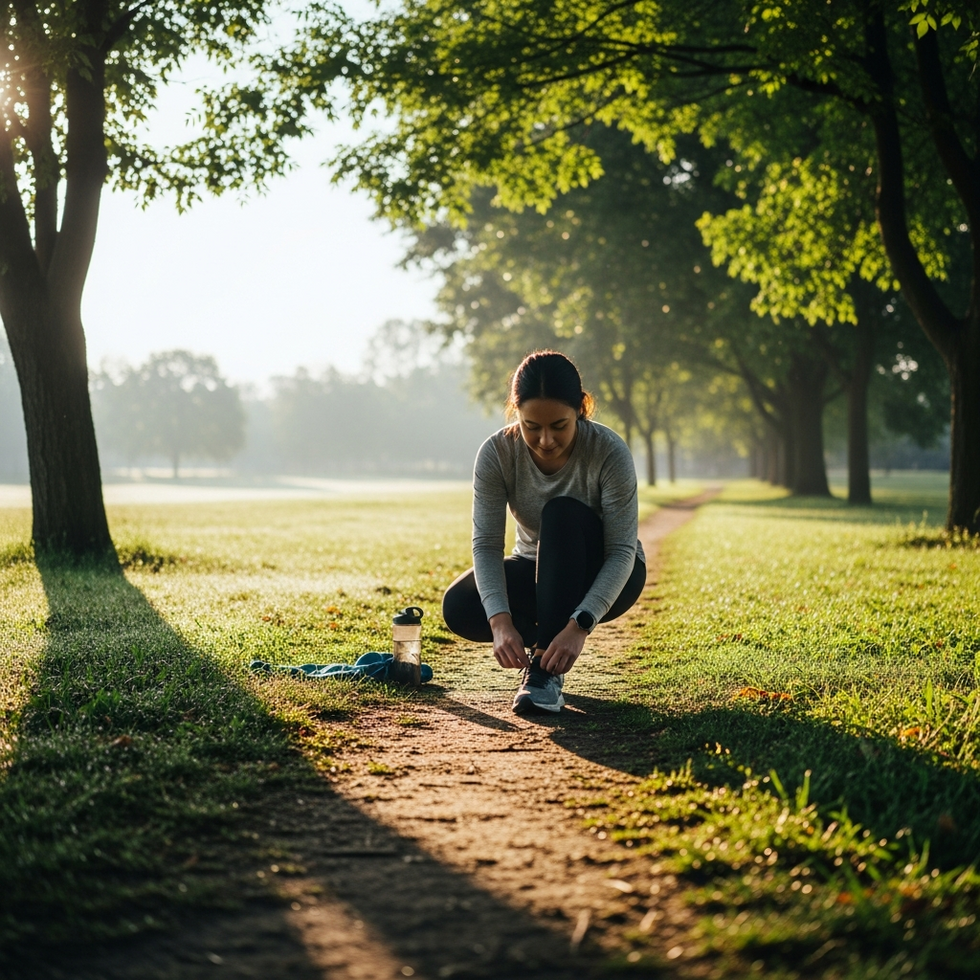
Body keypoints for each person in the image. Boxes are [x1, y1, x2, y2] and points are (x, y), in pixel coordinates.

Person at [442, 350, 646, 714]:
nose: (546, 440)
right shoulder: (496, 453)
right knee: (459, 606)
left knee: (561, 512)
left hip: (608, 572)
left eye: (559, 425)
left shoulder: (608, 451)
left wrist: (579, 626)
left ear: (581, 409)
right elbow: (487, 545)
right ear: (515, 412)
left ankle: (542, 675)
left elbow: (620, 551)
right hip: (537, 569)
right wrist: (500, 622)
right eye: (531, 426)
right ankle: (549, 647)